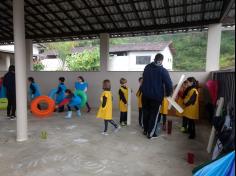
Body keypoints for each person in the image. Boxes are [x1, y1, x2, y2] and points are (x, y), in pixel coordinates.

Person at [141, 53, 173, 139]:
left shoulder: (147, 67)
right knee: (154, 115)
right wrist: (169, 93)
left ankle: (145, 130)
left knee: (146, 113)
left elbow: (143, 78)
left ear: (154, 59)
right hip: (156, 97)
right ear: (162, 60)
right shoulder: (163, 71)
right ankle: (150, 134)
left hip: (145, 95)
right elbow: (169, 84)